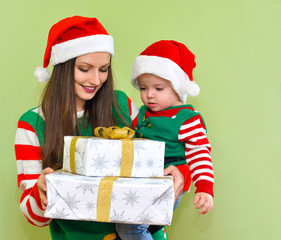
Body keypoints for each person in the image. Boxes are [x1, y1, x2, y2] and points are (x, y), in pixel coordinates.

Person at [15, 16, 187, 240]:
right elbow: (33, 217)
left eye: (103, 69)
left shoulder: (121, 105)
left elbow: (163, 154)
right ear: (63, 68)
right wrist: (42, 193)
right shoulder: (32, 125)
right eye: (85, 69)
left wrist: (181, 173)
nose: (96, 80)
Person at [115, 40, 215, 240]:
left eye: (158, 89)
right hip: (145, 182)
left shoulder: (186, 118)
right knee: (132, 226)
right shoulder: (144, 113)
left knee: (130, 228)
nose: (148, 95)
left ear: (178, 88)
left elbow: (200, 153)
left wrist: (204, 187)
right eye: (143, 88)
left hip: (168, 183)